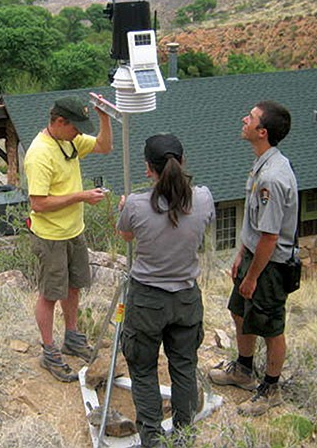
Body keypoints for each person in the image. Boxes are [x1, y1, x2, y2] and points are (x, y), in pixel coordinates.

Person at [117, 134, 215, 447]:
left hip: (147, 299)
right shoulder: (203, 198)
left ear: (149, 169)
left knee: (144, 369)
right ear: (182, 162)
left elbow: (126, 236)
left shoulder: (136, 204)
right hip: (186, 297)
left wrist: (124, 208)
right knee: (184, 367)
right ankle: (185, 437)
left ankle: (153, 440)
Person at [208, 100, 298, 416]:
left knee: (271, 327)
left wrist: (252, 276)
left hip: (269, 266)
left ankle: (271, 389)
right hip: (254, 256)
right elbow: (255, 225)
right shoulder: (262, 164)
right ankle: (244, 371)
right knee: (239, 312)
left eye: (251, 118)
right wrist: (241, 254)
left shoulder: (273, 178)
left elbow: (271, 237)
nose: (243, 119)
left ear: (262, 132)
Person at [24, 95, 112, 382]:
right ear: (60, 122)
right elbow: (38, 203)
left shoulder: (69, 140)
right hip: (50, 235)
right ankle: (49, 351)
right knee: (50, 293)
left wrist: (104, 117)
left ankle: (72, 337)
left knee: (74, 285)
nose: (79, 132)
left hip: (74, 230)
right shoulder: (40, 154)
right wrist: (82, 196)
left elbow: (104, 146)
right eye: (75, 126)